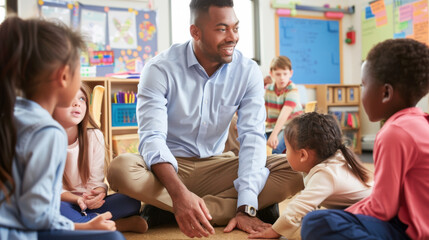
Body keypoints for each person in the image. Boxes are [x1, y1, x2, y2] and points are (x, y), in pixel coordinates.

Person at [107, 0, 304, 238]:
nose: (232, 37)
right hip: (170, 168)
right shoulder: (160, 68)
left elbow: (252, 137)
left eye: (236, 28)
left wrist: (246, 206)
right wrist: (179, 194)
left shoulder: (247, 71)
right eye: (222, 29)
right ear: (195, 32)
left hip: (218, 165)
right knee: (120, 169)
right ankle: (198, 205)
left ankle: (168, 209)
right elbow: (152, 138)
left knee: (298, 169)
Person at [0, 16, 125, 240]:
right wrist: (84, 228)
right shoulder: (47, 132)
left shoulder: (12, 113)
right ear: (64, 76)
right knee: (112, 238)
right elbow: (35, 217)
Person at [301, 38, 429, 240]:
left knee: (316, 222)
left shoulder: (395, 132)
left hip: (412, 232)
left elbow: (382, 209)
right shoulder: (420, 123)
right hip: (410, 221)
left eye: (363, 85)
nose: (361, 94)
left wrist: (343, 216)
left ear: (386, 92)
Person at [248, 112, 372, 239]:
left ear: (303, 155)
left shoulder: (326, 174)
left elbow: (298, 208)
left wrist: (274, 231)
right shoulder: (328, 160)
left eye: (287, 149)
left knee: (314, 222)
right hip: (359, 211)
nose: (285, 154)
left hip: (369, 217)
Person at [52, 83, 148, 233]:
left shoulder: (95, 136)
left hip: (89, 205)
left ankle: (82, 226)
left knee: (131, 202)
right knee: (51, 208)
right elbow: (52, 190)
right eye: (69, 98)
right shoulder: (45, 141)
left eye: (82, 98)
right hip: (64, 202)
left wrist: (97, 194)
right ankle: (115, 226)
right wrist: (77, 199)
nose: (77, 103)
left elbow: (97, 180)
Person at [265, 56, 304, 154]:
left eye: (285, 74)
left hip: (291, 126)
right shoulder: (269, 90)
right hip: (273, 127)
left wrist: (274, 134)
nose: (282, 77)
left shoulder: (292, 89)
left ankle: (274, 169)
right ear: (271, 74)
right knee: (257, 142)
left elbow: (285, 114)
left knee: (276, 147)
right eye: (278, 74)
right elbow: (262, 111)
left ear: (290, 73)